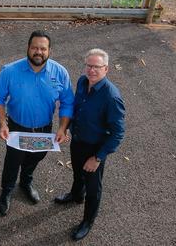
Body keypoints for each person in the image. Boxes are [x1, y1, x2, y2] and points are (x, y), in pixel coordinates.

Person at [0, 30, 74, 216]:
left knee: (36, 156)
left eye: (43, 48)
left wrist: (62, 127)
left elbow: (68, 102)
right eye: (35, 47)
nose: (38, 52)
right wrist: (3, 124)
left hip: (44, 130)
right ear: (27, 48)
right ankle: (7, 190)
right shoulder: (10, 71)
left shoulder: (60, 73)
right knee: (13, 161)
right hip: (17, 128)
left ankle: (26, 182)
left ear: (49, 50)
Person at [54, 48, 125, 241]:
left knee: (94, 188)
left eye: (97, 67)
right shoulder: (82, 81)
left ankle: (87, 221)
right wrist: (67, 127)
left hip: (95, 149)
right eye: (89, 65)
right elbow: (78, 108)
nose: (92, 70)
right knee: (78, 173)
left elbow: (118, 133)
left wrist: (98, 158)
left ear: (106, 69)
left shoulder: (111, 97)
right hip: (78, 141)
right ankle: (76, 195)